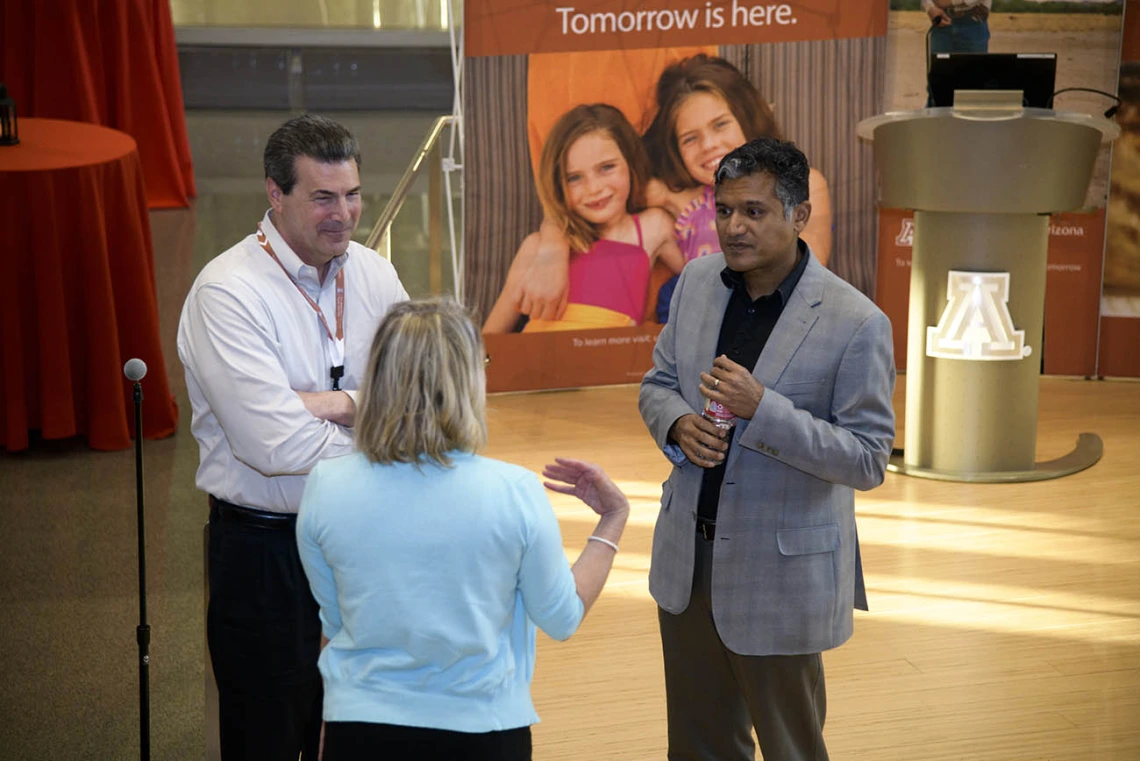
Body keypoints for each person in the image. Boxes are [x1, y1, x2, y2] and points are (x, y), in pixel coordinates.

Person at [638, 137, 896, 761]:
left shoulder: (856, 322)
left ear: (798, 215)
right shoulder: (697, 282)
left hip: (779, 575)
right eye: (724, 210)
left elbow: (868, 458)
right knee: (698, 746)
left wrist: (765, 410)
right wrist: (676, 425)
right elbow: (659, 384)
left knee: (791, 747)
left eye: (753, 211)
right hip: (688, 562)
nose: (733, 226)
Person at [295, 298, 630, 760]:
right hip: (483, 732)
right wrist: (611, 522)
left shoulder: (325, 485)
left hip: (361, 729)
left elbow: (334, 623)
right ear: (465, 380)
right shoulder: (512, 490)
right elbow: (561, 616)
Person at [177, 114, 409, 761]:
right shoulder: (227, 293)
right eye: (323, 197)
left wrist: (330, 403)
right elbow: (273, 446)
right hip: (265, 554)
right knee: (269, 732)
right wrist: (377, 432)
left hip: (363, 540)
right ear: (275, 194)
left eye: (353, 194)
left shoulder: (373, 275)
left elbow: (417, 396)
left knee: (359, 729)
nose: (345, 214)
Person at [517, 54, 833, 325]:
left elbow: (807, 265)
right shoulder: (670, 196)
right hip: (699, 338)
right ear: (676, 150)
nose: (709, 145)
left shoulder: (802, 182)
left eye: (721, 124)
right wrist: (551, 251)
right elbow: (581, 203)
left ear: (748, 118)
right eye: (690, 138)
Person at [483, 103, 683, 333]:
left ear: (630, 163)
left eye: (607, 167)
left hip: (610, 361)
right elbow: (487, 343)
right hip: (539, 364)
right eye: (574, 178)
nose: (594, 188)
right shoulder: (536, 248)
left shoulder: (653, 227)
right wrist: (552, 245)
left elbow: (708, 275)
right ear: (558, 184)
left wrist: (670, 197)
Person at [925, 0, 992, 106]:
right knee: (937, 88)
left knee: (972, 88)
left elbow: (942, 2)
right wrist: (929, 7)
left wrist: (949, 2)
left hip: (973, 20)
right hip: (942, 21)